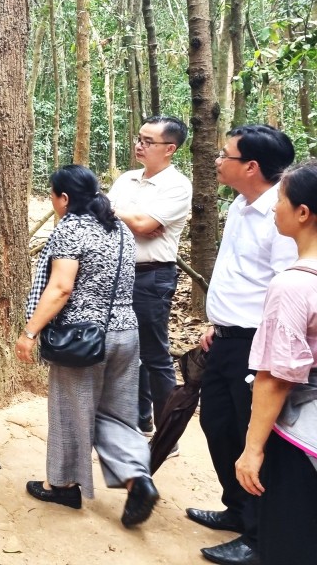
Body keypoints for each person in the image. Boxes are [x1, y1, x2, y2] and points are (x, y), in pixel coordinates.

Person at [16, 164, 159, 528]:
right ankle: (136, 478)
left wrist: (30, 332)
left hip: (83, 339)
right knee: (117, 414)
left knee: (70, 411)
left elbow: (61, 288)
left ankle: (63, 484)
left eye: (52, 194)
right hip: (126, 335)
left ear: (63, 199)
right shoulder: (120, 229)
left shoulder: (70, 230)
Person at [189, 125, 297, 565]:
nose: (218, 160)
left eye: (225, 154)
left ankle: (258, 535)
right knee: (218, 424)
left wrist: (259, 343)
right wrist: (219, 323)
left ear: (250, 166)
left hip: (258, 343)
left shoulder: (283, 215)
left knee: (255, 438)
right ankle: (237, 510)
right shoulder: (239, 204)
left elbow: (284, 288)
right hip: (228, 336)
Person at [234, 160, 317, 565]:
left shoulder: (293, 284)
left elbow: (276, 377)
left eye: (281, 200)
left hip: (302, 438)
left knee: (289, 539)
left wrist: (252, 449)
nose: (273, 208)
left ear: (303, 212)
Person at [107, 116, 192, 436]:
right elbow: (127, 222)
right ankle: (140, 420)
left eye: (147, 141)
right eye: (138, 139)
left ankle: (167, 434)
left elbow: (142, 226)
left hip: (151, 276)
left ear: (170, 149)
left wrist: (125, 217)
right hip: (117, 272)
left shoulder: (177, 186)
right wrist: (138, 222)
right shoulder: (127, 179)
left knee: (155, 355)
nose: (138, 145)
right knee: (127, 350)